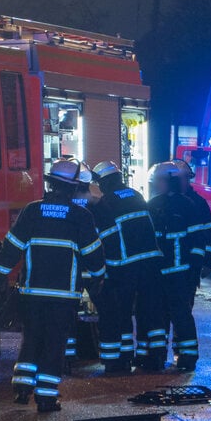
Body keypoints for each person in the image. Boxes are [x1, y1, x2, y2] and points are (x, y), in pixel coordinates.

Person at [0, 160, 106, 412]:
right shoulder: (81, 216)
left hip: (31, 293)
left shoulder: (31, 211)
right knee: (55, 344)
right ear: (74, 188)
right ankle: (45, 397)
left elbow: (11, 248)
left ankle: (22, 388)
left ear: (50, 184)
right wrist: (98, 276)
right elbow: (93, 255)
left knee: (31, 338)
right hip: (63, 297)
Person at [90, 160, 163, 373]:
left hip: (125, 265)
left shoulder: (105, 204)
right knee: (149, 309)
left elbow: (109, 239)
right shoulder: (135, 195)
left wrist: (108, 271)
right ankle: (154, 356)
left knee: (120, 311)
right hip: (150, 262)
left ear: (102, 183)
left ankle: (121, 360)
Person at [147, 161, 201, 371]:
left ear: (165, 181)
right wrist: (194, 268)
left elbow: (197, 240)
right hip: (176, 273)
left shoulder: (157, 206)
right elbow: (198, 241)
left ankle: (158, 357)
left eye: (158, 181)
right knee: (178, 315)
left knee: (162, 315)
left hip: (166, 273)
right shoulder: (188, 205)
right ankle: (186, 357)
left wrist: (194, 268)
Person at [173, 159, 211, 305]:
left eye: (183, 179)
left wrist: (207, 262)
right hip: (168, 266)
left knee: (184, 309)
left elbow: (208, 235)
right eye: (176, 179)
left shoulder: (199, 203)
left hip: (190, 265)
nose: (180, 183)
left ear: (188, 179)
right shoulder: (163, 202)